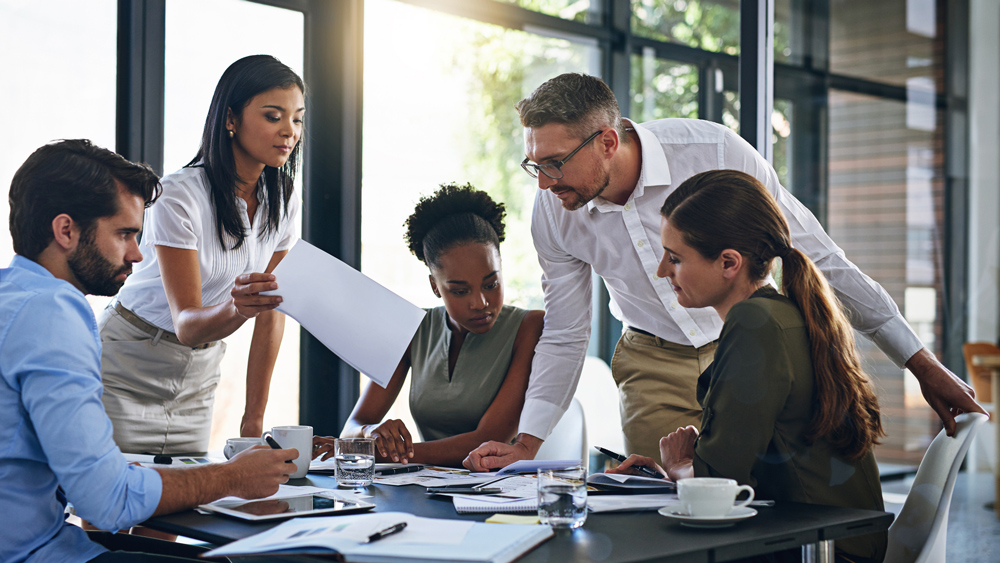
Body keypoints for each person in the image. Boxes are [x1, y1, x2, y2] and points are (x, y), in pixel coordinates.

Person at [464, 73, 984, 470]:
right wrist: (527, 443)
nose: (543, 182)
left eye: (554, 163)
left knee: (762, 504)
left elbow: (819, 257)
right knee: (664, 512)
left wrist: (920, 364)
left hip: (749, 349)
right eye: (534, 165)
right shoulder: (554, 210)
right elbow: (566, 330)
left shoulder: (714, 153)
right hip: (652, 363)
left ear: (606, 141)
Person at [1, 139, 298, 563]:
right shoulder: (54, 314)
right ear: (66, 231)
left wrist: (113, 470)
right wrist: (232, 477)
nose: (137, 254)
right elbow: (106, 501)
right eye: (124, 234)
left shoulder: (12, 295)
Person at [611, 169, 887, 563]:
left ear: (728, 263)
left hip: (817, 549)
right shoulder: (785, 313)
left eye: (675, 258)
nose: (661, 271)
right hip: (834, 541)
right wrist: (675, 470)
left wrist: (678, 467)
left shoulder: (754, 324)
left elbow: (721, 483)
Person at [99, 55, 304, 454]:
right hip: (128, 363)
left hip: (200, 373)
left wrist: (253, 418)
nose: (289, 131)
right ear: (230, 119)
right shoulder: (178, 195)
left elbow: (271, 311)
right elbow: (187, 324)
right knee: (113, 492)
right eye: (273, 116)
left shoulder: (284, 197)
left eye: (297, 119)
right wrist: (238, 308)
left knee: (189, 490)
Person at [313, 184, 544, 467]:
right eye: (460, 291)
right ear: (435, 286)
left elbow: (488, 440)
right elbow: (353, 425)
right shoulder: (412, 328)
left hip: (504, 487)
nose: (480, 302)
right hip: (425, 485)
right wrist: (369, 432)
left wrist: (370, 451)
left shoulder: (529, 327)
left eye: (491, 284)